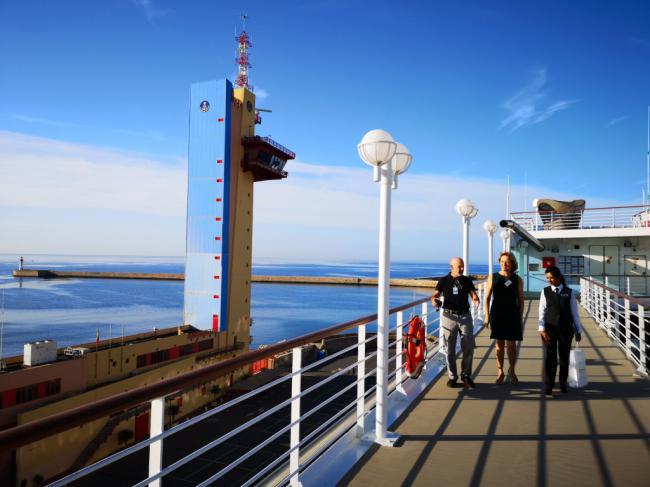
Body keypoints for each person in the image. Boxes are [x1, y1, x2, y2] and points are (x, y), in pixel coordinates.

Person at [431, 257, 480, 388]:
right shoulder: (443, 280)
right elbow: (435, 294)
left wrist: (475, 298)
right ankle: (452, 377)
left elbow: (473, 294)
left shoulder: (467, 280)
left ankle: (466, 375)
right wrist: (435, 300)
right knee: (450, 349)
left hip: (465, 316)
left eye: (462, 266)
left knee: (468, 347)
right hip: (449, 317)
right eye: (459, 266)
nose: (462, 268)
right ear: (451, 267)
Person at [538, 265, 582, 395]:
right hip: (549, 329)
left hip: (566, 329)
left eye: (551, 277)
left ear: (558, 277)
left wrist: (578, 330)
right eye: (547, 278)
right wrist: (541, 329)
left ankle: (563, 383)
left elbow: (574, 313)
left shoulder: (569, 292)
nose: (549, 280)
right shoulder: (545, 291)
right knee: (550, 358)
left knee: (564, 358)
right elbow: (542, 311)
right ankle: (549, 386)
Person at [484, 252, 525, 384]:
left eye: (507, 262)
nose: (504, 264)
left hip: (512, 313)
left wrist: (520, 317)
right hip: (497, 313)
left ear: (512, 263)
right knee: (499, 344)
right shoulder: (493, 277)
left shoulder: (517, 279)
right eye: (502, 261)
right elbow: (487, 297)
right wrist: (486, 316)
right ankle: (500, 370)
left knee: (512, 344)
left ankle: (512, 370)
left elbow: (521, 300)